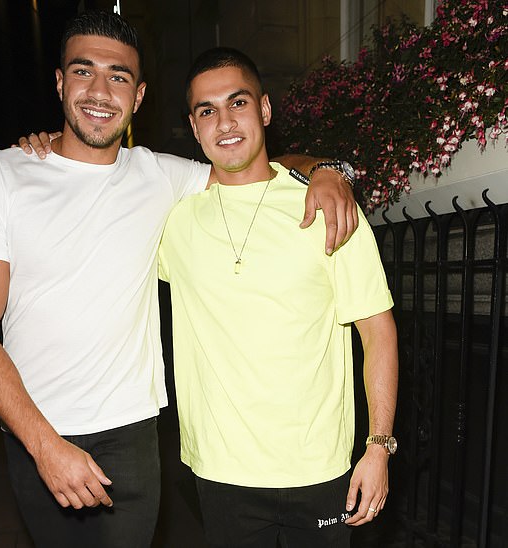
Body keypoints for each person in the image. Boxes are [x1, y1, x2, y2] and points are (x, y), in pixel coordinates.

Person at [0, 10, 357, 548]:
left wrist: (330, 169)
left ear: (138, 96)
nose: (100, 90)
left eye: (118, 76)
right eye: (83, 71)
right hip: (38, 432)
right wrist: (44, 446)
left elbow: (251, 161)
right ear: (58, 81)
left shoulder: (162, 175)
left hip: (134, 436)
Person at [157, 47, 398, 547]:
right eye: (207, 110)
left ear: (264, 110)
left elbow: (376, 330)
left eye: (237, 103)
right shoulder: (174, 223)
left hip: (321, 468)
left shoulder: (328, 205)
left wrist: (377, 449)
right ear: (194, 126)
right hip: (221, 473)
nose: (224, 122)